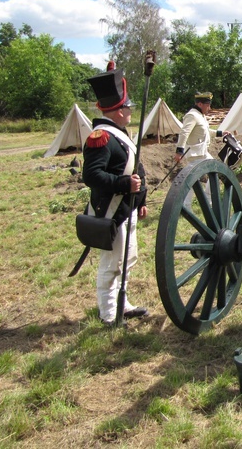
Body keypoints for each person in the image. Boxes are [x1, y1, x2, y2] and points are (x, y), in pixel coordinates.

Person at [83, 64, 149, 327]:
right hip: (111, 210)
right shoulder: (100, 138)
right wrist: (124, 184)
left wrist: (140, 202)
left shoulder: (119, 135)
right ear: (120, 111)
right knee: (112, 263)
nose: (131, 112)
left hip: (127, 208)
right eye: (129, 108)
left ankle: (122, 303)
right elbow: (92, 176)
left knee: (126, 258)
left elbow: (136, 169)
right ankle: (108, 313)